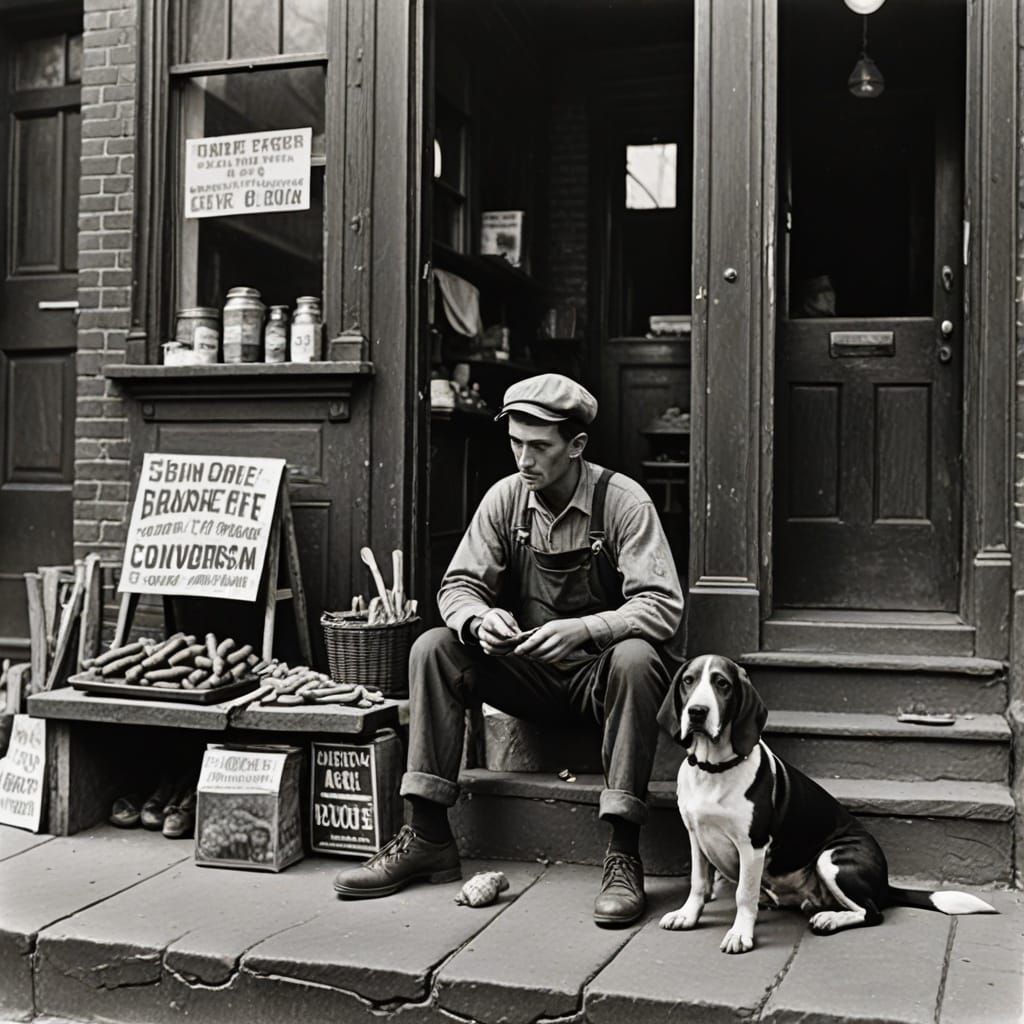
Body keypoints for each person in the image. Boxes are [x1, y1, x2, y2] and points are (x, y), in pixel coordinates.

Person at [334, 373, 684, 927]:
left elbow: (663, 606)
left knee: (638, 658)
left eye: (540, 447)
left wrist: (586, 628)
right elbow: (457, 588)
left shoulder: (623, 502)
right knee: (434, 647)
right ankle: (426, 835)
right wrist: (479, 619)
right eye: (516, 442)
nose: (524, 458)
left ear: (577, 446)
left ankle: (622, 851)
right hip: (532, 679)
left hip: (604, 685)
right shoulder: (506, 499)